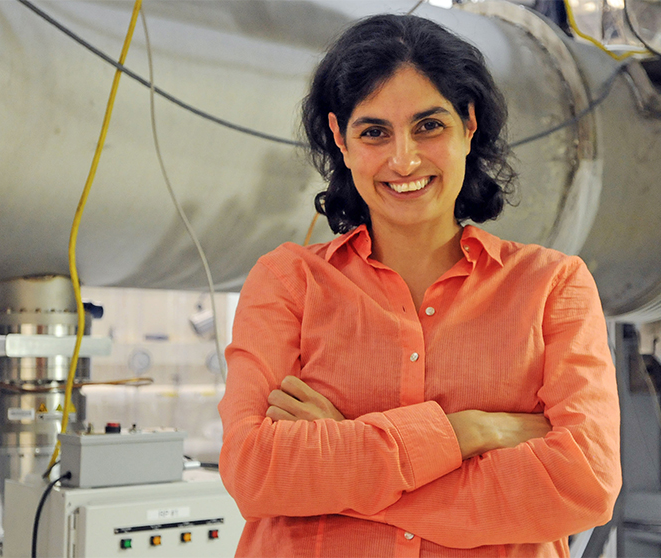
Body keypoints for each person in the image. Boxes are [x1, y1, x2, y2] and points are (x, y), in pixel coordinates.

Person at [218, 13, 621, 557]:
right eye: (374, 132)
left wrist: (342, 469)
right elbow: (254, 471)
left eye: (429, 125)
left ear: (469, 125)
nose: (403, 158)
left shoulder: (552, 286)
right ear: (340, 138)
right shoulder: (289, 281)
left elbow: (584, 483)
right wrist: (470, 432)